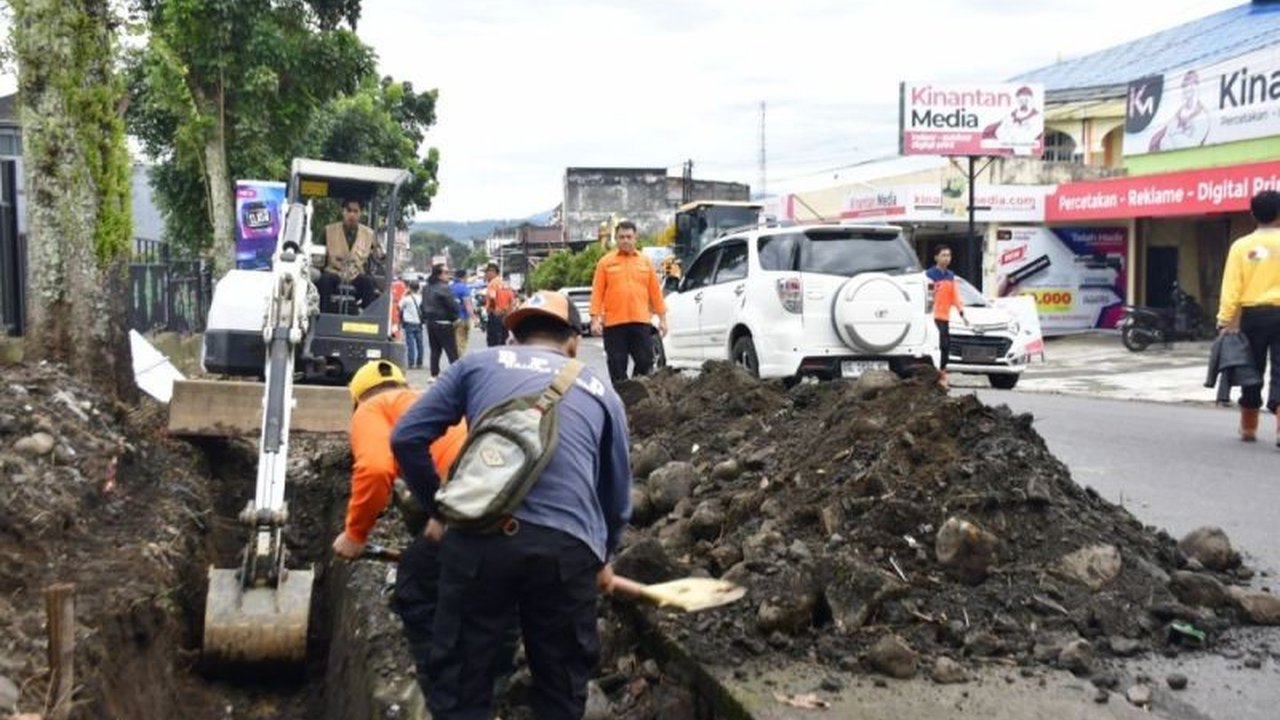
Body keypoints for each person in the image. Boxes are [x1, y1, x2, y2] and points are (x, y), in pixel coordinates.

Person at [390, 290, 632, 720]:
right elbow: (615, 497)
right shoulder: (602, 392)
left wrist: (443, 511)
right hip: (567, 549)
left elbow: (406, 438)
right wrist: (604, 555)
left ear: (512, 337)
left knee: (463, 684)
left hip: (478, 543)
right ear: (573, 343)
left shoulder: (477, 364)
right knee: (560, 690)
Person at [329, 359, 468, 698]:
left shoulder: (370, 409)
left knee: (414, 586)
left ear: (356, 400)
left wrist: (355, 534)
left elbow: (375, 470)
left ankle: (443, 689)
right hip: (492, 494)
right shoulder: (429, 401)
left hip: (466, 505)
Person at [1216, 190, 1280, 444]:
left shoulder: (1241, 246)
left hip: (1253, 316)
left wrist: (1224, 318)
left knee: (1251, 370)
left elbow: (1231, 287)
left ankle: (1249, 427)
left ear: (1252, 214)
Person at [589, 220, 668, 382]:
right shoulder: (605, 263)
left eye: (629, 237)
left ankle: (635, 389)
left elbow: (655, 292)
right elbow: (597, 292)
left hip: (640, 321)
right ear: (616, 240)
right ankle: (622, 398)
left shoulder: (645, 262)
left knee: (645, 360)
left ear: (635, 238)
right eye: (621, 237)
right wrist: (594, 319)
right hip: (614, 324)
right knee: (617, 365)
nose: (625, 240)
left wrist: (662, 319)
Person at [317, 198, 380, 312]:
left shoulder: (369, 234)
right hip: (334, 274)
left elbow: (378, 256)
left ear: (361, 213)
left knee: (369, 282)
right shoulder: (328, 230)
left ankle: (366, 318)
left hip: (356, 275)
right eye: (349, 210)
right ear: (343, 212)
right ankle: (323, 316)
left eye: (355, 211)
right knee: (324, 281)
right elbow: (318, 254)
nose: (352, 214)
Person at [926, 245, 967, 390]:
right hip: (932, 317)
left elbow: (955, 295)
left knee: (945, 347)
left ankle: (942, 373)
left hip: (944, 317)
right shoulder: (929, 275)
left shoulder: (950, 276)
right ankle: (936, 376)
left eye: (948, 255)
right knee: (935, 346)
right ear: (936, 257)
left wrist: (961, 311)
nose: (946, 258)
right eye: (943, 255)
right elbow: (927, 294)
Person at [1150, 70, 1210, 152]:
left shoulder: (1203, 117)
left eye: (1186, 83)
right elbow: (1165, 129)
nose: (1183, 87)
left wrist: (1172, 133)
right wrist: (1157, 137)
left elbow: (1191, 146)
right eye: (1183, 85)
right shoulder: (1180, 111)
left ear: (1195, 86)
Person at [422, 264, 461, 378]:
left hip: (430, 322)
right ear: (439, 274)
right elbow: (453, 306)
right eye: (446, 272)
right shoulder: (444, 288)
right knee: (451, 351)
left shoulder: (426, 288)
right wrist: (455, 317)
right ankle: (457, 375)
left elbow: (423, 305)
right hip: (444, 322)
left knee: (435, 350)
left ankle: (434, 374)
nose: (448, 275)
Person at [483, 263, 516, 347]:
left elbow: (492, 297)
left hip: (495, 316)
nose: (485, 275)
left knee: (493, 342)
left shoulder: (492, 284)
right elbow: (511, 300)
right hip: (504, 316)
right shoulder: (505, 284)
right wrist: (508, 314)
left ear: (492, 272)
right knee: (503, 341)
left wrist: (492, 309)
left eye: (486, 272)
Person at [451, 269, 477, 355]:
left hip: (452, 319)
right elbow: (468, 305)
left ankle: (455, 361)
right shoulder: (464, 288)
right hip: (463, 319)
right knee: (461, 343)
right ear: (464, 277)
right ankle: (461, 363)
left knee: (454, 343)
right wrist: (474, 317)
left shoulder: (450, 287)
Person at [399, 281, 424, 369]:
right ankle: (419, 363)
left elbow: (399, 306)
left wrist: (405, 293)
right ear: (418, 288)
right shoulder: (421, 298)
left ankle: (411, 363)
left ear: (410, 288)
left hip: (409, 323)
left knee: (410, 344)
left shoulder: (407, 299)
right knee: (419, 344)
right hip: (419, 323)